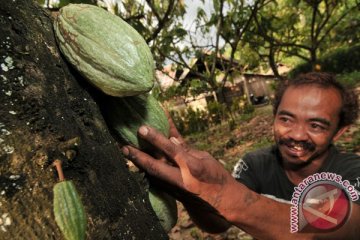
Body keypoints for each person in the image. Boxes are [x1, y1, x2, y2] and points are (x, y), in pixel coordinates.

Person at [122, 72, 360, 239]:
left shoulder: (351, 171)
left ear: (339, 132)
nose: (297, 134)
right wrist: (193, 193)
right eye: (286, 119)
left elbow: (341, 229)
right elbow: (219, 224)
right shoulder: (254, 164)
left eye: (316, 125)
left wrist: (225, 195)